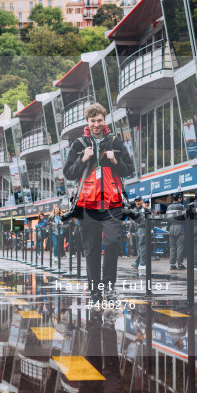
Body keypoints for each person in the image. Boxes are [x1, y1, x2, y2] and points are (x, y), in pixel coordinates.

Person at [62, 103, 135, 306]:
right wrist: (83, 159)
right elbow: (68, 173)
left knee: (112, 244)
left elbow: (129, 169)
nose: (96, 124)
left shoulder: (115, 142)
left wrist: (115, 161)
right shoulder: (78, 144)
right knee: (92, 250)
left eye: (100, 120)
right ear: (88, 122)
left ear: (105, 121)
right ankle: (95, 292)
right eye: (93, 121)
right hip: (87, 205)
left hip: (112, 203)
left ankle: (109, 288)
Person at [167, 192, 187, 270]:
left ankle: (172, 264)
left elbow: (167, 217)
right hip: (179, 227)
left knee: (172, 247)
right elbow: (185, 217)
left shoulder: (169, 207)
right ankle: (180, 264)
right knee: (180, 246)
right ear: (179, 198)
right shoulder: (181, 206)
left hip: (171, 227)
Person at [129, 197, 148, 269]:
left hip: (143, 229)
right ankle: (138, 262)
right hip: (137, 231)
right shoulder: (133, 210)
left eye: (139, 201)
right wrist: (130, 231)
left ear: (141, 201)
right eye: (136, 201)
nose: (137, 202)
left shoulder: (144, 209)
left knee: (142, 247)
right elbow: (132, 221)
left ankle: (139, 263)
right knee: (139, 248)